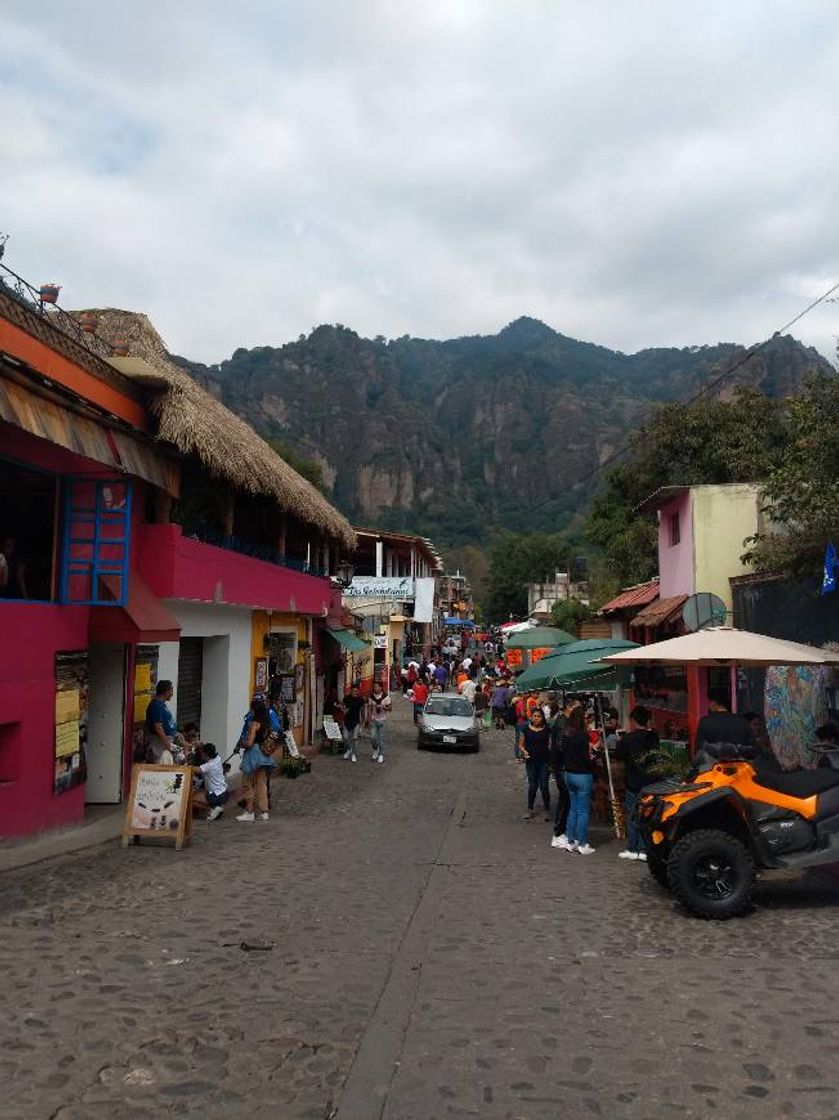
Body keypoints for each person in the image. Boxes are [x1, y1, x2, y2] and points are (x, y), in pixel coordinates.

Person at [615, 706, 658, 861]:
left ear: (633, 721)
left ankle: (634, 847)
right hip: (651, 782)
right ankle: (645, 847)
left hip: (633, 782)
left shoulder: (627, 739)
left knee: (633, 815)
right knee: (647, 816)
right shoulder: (653, 737)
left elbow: (619, 754)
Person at [561, 705, 598, 854]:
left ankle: (571, 840)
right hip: (582, 775)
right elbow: (588, 757)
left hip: (568, 774)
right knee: (583, 811)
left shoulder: (567, 734)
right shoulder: (583, 736)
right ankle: (582, 843)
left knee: (573, 809)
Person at [236, 699, 276, 822]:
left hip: (253, 755)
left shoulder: (254, 724)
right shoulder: (266, 724)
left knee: (247, 783)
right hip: (264, 756)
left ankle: (249, 812)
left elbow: (249, 743)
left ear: (255, 710)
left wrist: (242, 744)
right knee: (261, 784)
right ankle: (264, 812)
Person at [549, 697, 579, 849]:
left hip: (560, 765)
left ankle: (561, 829)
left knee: (564, 798)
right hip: (562, 766)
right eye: (577, 708)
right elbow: (561, 746)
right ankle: (560, 831)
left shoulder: (563, 721)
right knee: (566, 799)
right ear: (569, 707)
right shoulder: (563, 723)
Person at [695, 690, 753, 763]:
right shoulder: (742, 720)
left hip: (714, 769)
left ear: (713, 704)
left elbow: (699, 749)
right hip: (739, 768)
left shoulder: (705, 722)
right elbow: (751, 747)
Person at [520, 706, 551, 820]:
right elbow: (521, 744)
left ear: (542, 718)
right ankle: (530, 809)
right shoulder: (526, 729)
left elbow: (550, 744)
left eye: (539, 716)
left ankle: (547, 809)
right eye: (534, 716)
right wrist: (524, 751)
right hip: (531, 761)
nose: (536, 718)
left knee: (544, 786)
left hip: (544, 761)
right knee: (533, 785)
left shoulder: (547, 730)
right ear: (531, 717)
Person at [192, 743, 229, 821]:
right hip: (224, 792)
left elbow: (195, 769)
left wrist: (183, 766)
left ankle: (212, 809)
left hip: (216, 796)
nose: (201, 755)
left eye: (202, 753)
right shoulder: (217, 758)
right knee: (199, 791)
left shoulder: (209, 766)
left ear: (206, 754)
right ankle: (217, 807)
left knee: (191, 800)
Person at [145, 680, 177, 763]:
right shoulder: (156, 706)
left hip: (165, 743)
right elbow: (158, 727)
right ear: (165, 692)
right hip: (159, 744)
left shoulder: (161, 705)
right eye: (171, 691)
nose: (172, 694)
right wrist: (168, 745)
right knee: (161, 764)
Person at [368, 683, 392, 763]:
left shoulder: (386, 697)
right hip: (374, 719)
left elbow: (390, 708)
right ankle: (375, 749)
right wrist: (368, 718)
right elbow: (369, 707)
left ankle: (381, 755)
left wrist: (384, 707)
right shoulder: (371, 697)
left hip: (382, 719)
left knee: (381, 739)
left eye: (376, 686)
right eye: (374, 686)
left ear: (380, 687)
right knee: (373, 737)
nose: (375, 688)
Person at [342, 684, 365, 763]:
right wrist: (344, 711)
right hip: (347, 720)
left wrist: (363, 719)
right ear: (351, 691)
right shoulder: (346, 699)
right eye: (354, 691)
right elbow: (343, 708)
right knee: (345, 737)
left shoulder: (360, 699)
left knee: (354, 738)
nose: (355, 692)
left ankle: (354, 754)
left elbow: (362, 709)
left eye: (356, 691)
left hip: (356, 721)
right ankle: (349, 749)